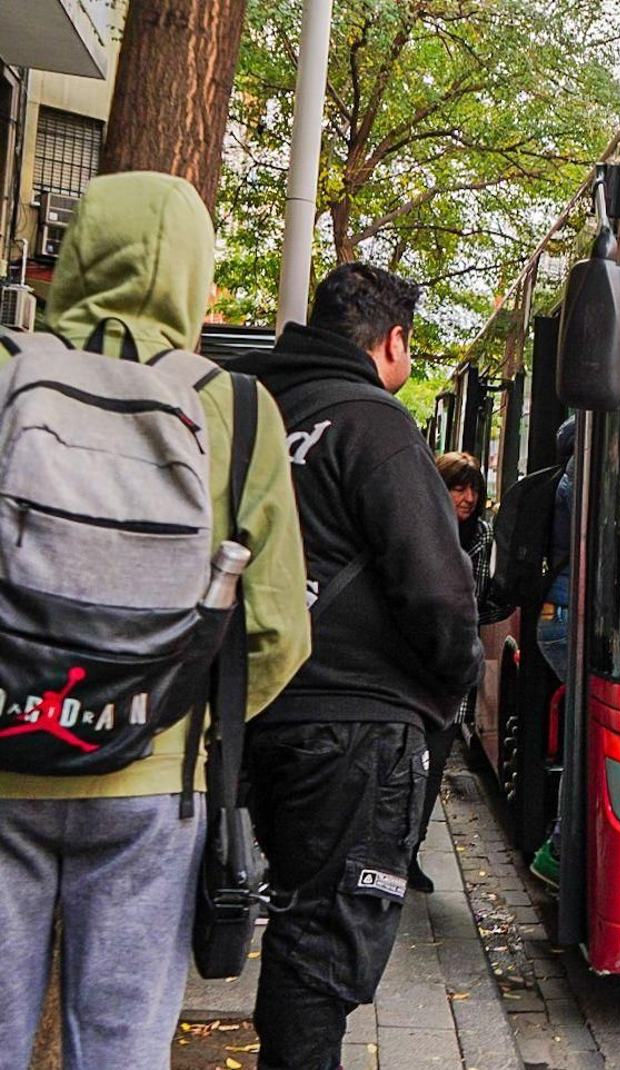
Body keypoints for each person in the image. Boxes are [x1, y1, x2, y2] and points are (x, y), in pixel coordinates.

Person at [0, 173, 312, 1070]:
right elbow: (280, 629)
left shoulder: (9, 371)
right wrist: (176, 721)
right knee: (124, 1045)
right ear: (192, 274)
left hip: (3, 754)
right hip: (151, 783)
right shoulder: (238, 408)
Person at [230, 263, 484, 1070]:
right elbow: (440, 595)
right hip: (355, 727)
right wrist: (454, 685)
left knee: (294, 911)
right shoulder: (373, 423)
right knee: (324, 938)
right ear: (394, 342)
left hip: (255, 707)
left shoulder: (254, 409)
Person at [410, 451, 509, 892]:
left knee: (432, 766)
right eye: (457, 487)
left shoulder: (482, 536)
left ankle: (411, 851)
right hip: (410, 662)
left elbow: (479, 596)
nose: (467, 498)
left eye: (473, 490)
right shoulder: (418, 521)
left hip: (452, 665)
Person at [529, 417, 576, 888]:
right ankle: (561, 850)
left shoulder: (566, 475)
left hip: (558, 614)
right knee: (586, 737)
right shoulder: (583, 475)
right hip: (567, 618)